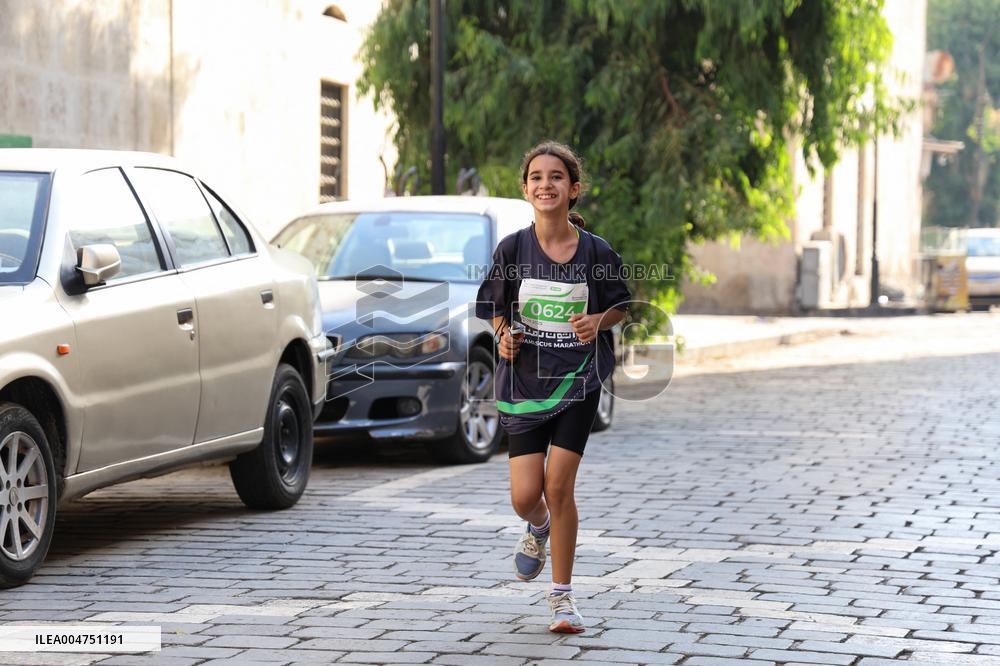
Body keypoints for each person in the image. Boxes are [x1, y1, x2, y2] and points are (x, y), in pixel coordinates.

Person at [475, 141, 630, 633]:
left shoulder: (596, 252)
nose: (546, 183)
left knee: (559, 486)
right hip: (523, 386)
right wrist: (503, 337)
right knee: (525, 495)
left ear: (573, 189)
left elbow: (622, 308)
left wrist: (597, 321)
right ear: (526, 189)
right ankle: (537, 525)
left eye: (556, 176)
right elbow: (496, 311)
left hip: (577, 382)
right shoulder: (512, 249)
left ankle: (562, 598)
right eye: (537, 176)